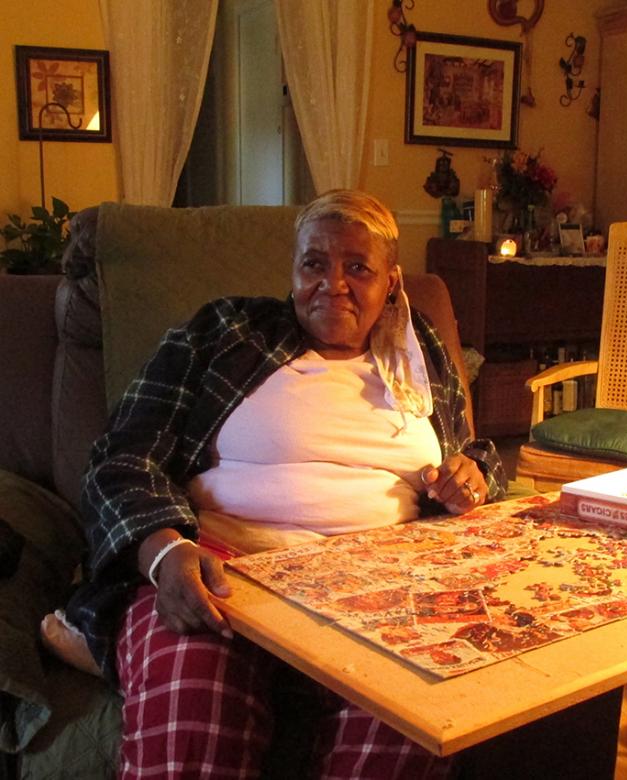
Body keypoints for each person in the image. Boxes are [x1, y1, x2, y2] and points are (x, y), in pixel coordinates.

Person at [62, 189, 507, 779]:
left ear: (392, 283)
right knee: (193, 715)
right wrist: (165, 552)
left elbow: (471, 460)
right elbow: (121, 458)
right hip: (225, 577)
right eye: (314, 264)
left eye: (357, 267)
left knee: (407, 726)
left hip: (388, 591)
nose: (334, 284)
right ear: (293, 271)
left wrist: (471, 476)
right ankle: (107, 638)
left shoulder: (418, 350)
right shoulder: (226, 331)